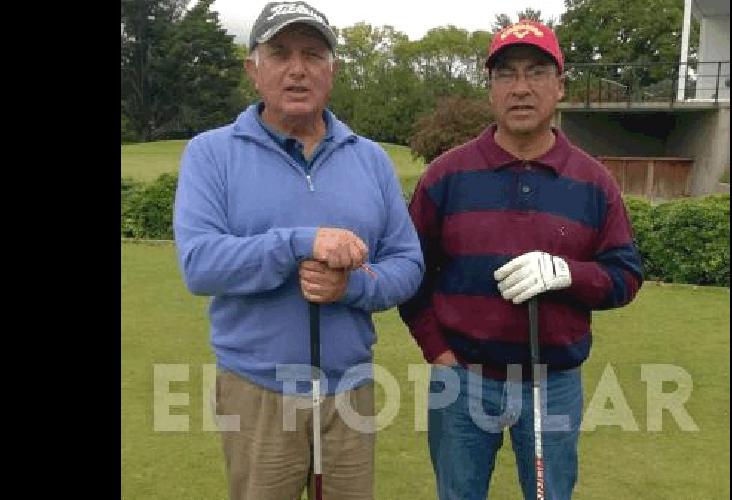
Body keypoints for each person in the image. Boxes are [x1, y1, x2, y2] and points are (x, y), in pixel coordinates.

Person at [173, 2, 424, 499]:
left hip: (350, 391)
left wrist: (351, 287)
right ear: (253, 68)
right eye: (280, 53)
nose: (297, 69)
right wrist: (299, 243)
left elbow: (407, 264)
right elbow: (199, 264)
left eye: (312, 55)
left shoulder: (369, 159)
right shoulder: (211, 153)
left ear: (331, 71)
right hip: (257, 392)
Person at [398, 19, 645, 500]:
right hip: (462, 379)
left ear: (560, 86)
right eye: (506, 74)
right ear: (490, 90)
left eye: (536, 72)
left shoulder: (594, 182)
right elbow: (411, 272)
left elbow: (625, 276)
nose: (521, 88)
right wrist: (438, 353)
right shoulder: (446, 175)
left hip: (552, 384)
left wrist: (568, 274)